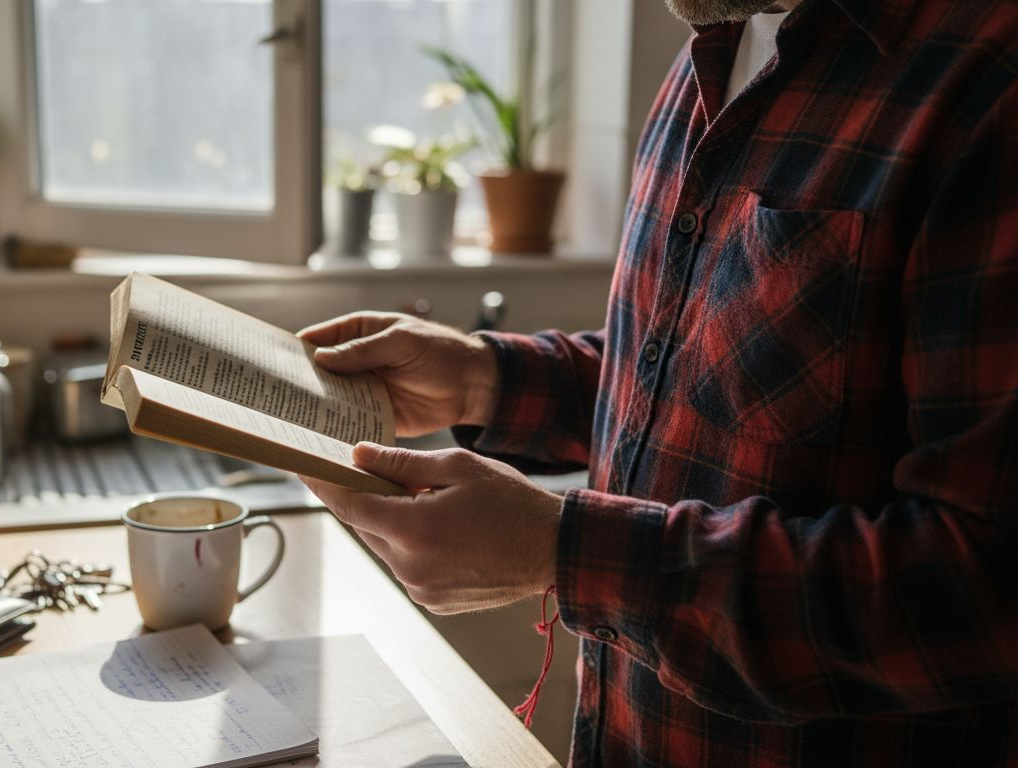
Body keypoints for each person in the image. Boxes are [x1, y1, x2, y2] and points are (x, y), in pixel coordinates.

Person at [297, 0, 1018, 765]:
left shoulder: (989, 81)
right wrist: (485, 381)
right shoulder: (711, 45)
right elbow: (697, 368)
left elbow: (984, 584)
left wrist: (567, 552)